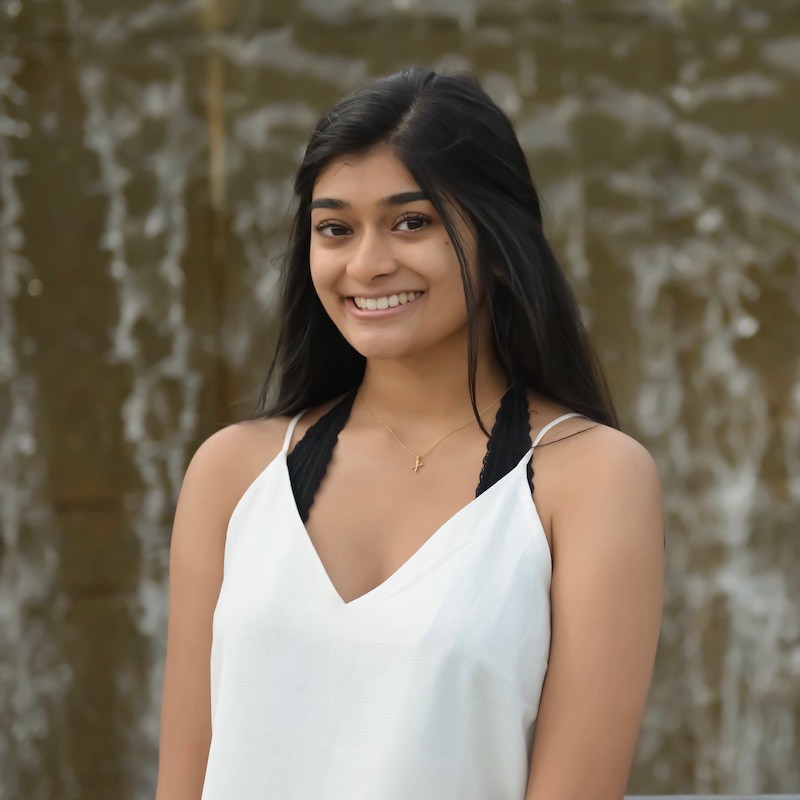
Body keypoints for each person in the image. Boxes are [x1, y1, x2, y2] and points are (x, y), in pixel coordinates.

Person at [155, 67, 664, 800]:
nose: (366, 264)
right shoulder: (233, 472)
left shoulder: (586, 478)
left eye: (411, 222)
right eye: (335, 228)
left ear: (496, 235)